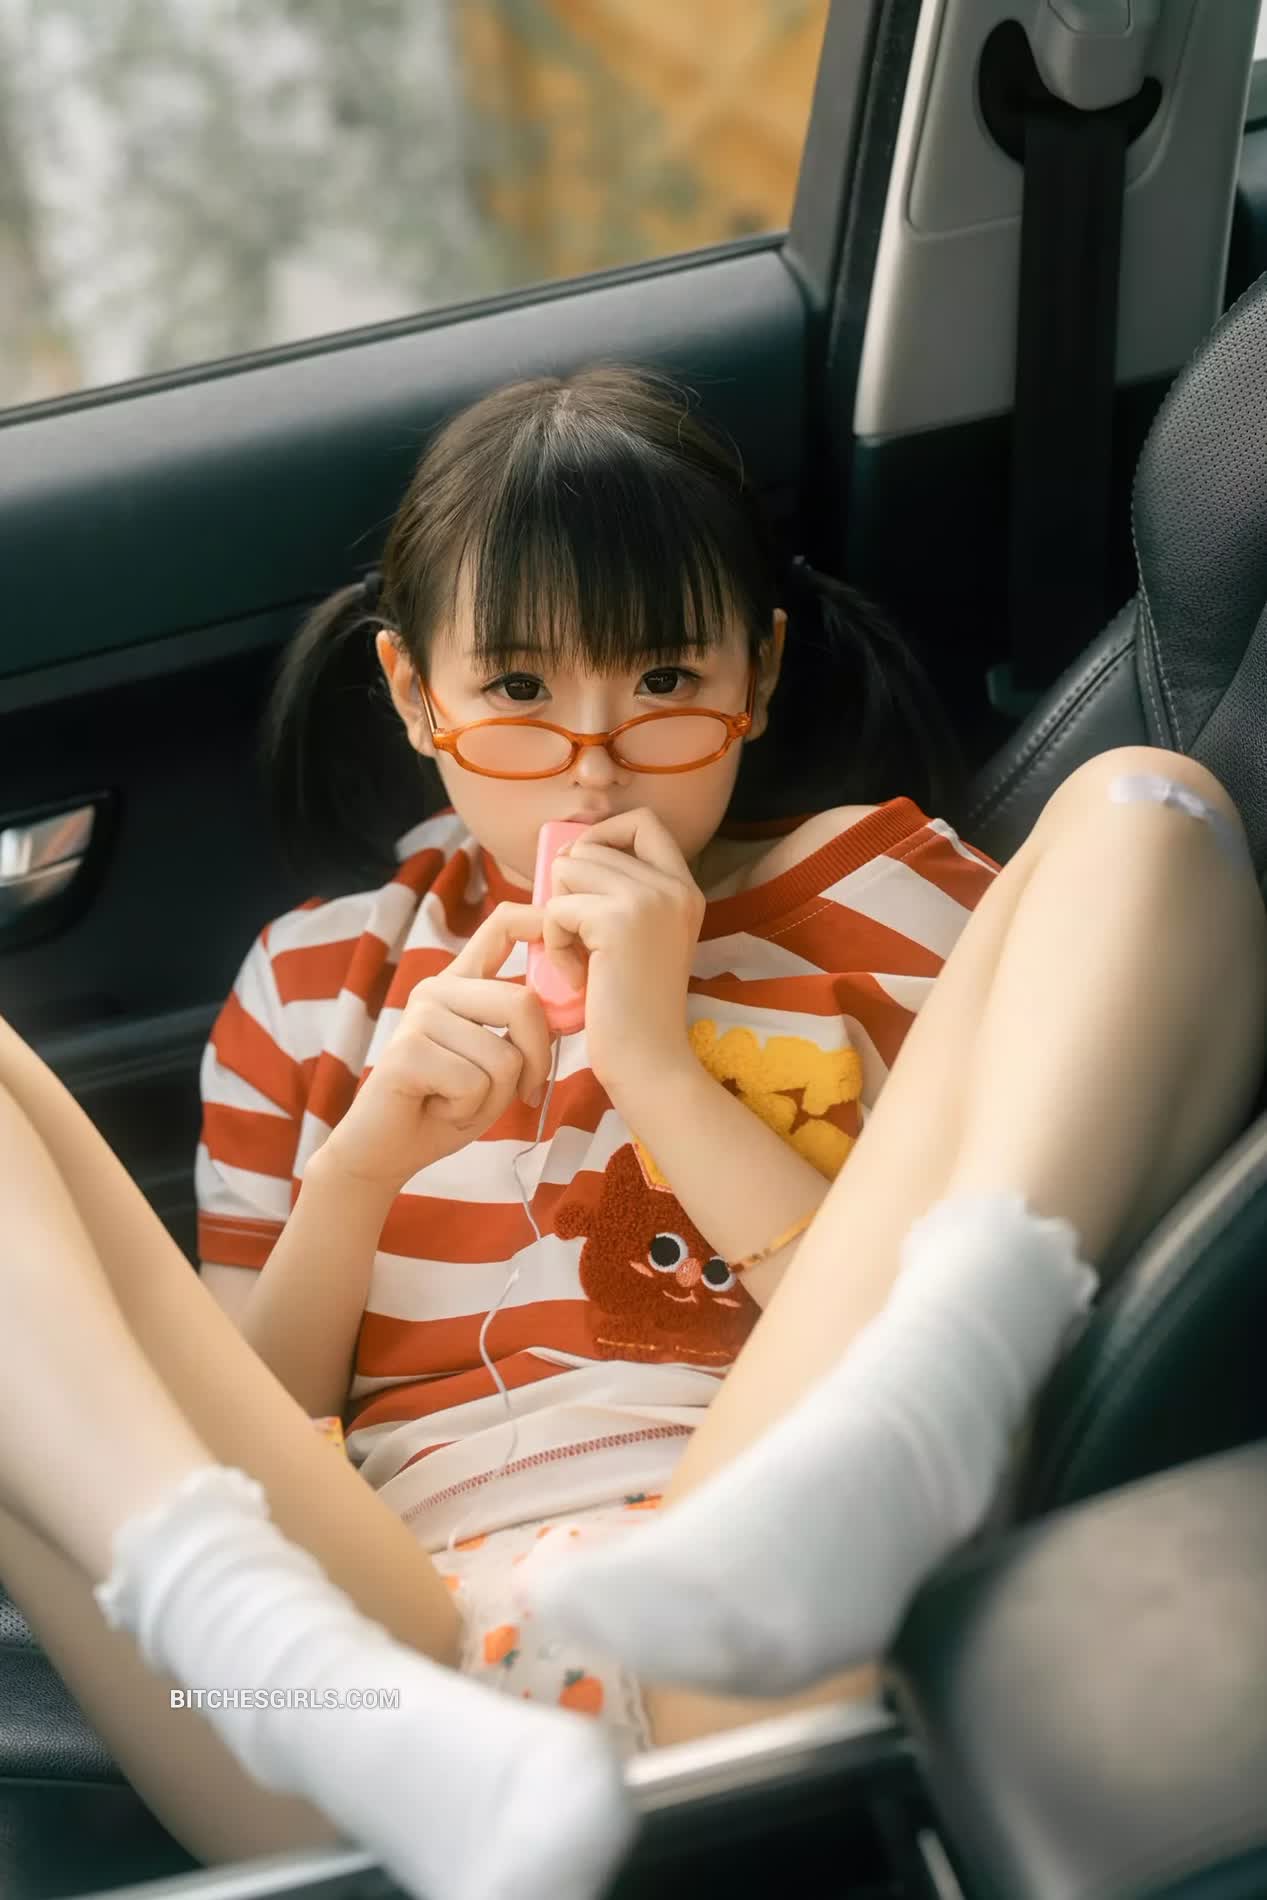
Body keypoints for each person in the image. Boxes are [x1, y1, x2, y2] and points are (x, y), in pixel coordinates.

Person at [0, 364, 1263, 1900]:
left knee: (1147, 808)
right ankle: (248, 1637)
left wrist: (658, 1068)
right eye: (520, 693)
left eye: (664, 680)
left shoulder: (869, 894)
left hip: (761, 1574)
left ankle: (905, 1452)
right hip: (354, 1672)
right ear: (415, 693)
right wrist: (361, 1167)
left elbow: (898, 1267)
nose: (592, 768)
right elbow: (226, 1415)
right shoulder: (316, 981)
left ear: (760, 671)